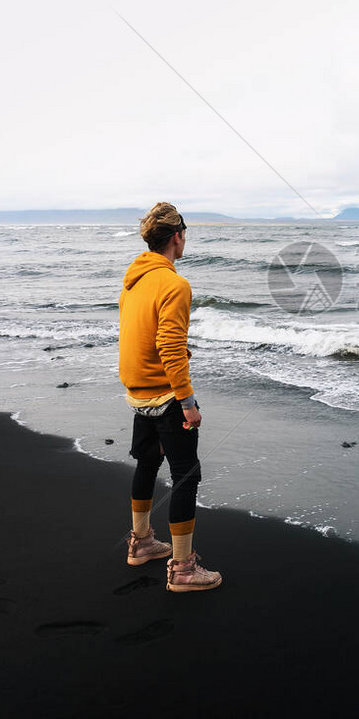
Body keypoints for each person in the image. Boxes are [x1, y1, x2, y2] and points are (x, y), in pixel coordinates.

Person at [118, 202, 222, 592]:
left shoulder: (133, 281)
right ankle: (183, 569)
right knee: (186, 476)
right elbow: (169, 345)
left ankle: (141, 542)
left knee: (147, 464)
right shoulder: (175, 284)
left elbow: (140, 334)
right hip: (164, 394)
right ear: (178, 236)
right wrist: (188, 402)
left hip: (137, 390)